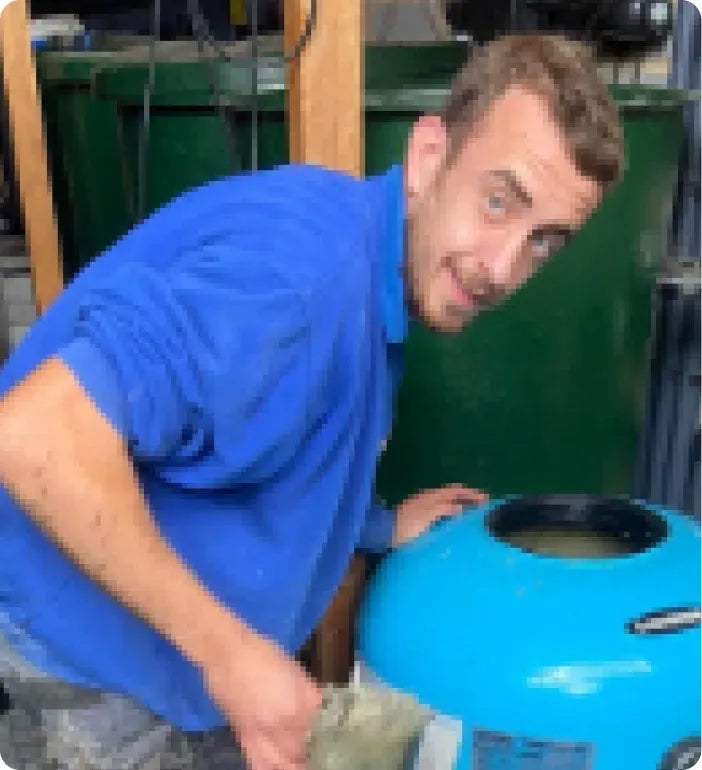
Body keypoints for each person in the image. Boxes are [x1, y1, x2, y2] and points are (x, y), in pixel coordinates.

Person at [0, 32, 622, 770]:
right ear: (429, 156)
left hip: (182, 662)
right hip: (84, 668)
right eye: (497, 201)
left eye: (543, 242)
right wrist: (231, 655)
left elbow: (280, 440)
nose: (501, 267)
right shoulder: (296, 288)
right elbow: (35, 434)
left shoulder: (376, 263)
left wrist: (376, 525)